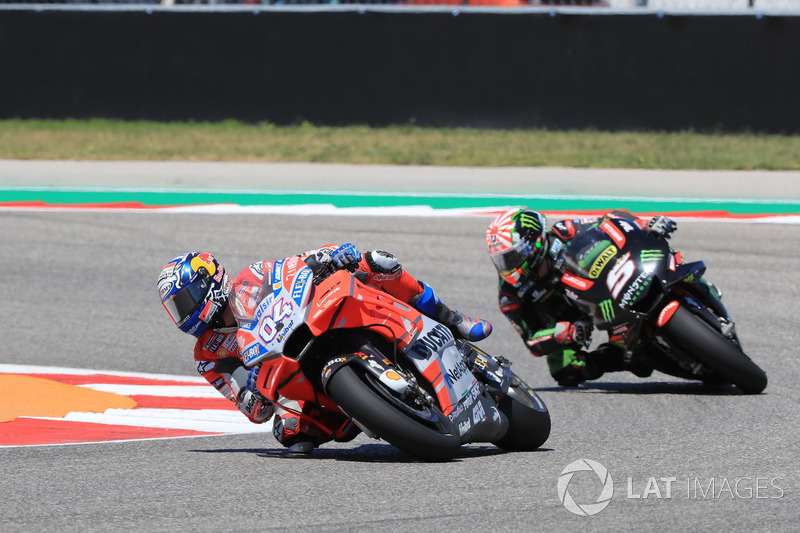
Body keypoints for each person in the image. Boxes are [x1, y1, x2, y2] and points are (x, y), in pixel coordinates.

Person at [157, 244, 492, 453]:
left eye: (184, 301)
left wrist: (329, 257)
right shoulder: (208, 355)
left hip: (313, 320)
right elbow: (249, 407)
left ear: (209, 283)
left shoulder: (251, 277)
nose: (183, 314)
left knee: (377, 262)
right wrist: (253, 396)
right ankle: (359, 410)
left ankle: (450, 317)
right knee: (288, 433)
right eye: (175, 308)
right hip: (288, 374)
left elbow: (294, 266)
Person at [485, 208, 677, 386]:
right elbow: (532, 342)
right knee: (565, 369)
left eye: (510, 257)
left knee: (663, 255)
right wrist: (563, 333)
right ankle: (623, 356)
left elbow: (610, 219)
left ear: (531, 244)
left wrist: (644, 224)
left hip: (606, 289)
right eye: (500, 261)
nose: (505, 266)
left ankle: (687, 280)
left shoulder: (565, 230)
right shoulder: (509, 296)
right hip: (572, 321)